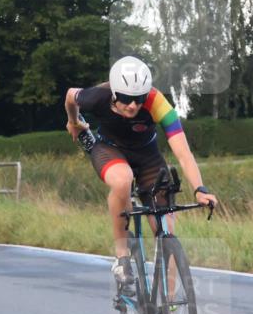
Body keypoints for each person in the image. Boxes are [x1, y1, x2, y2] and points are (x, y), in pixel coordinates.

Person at [65, 56, 218, 297]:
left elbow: (183, 153)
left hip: (147, 157)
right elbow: (70, 95)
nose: (133, 105)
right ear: (115, 93)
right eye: (126, 99)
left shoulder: (157, 102)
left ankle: (171, 306)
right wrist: (74, 122)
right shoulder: (98, 96)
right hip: (109, 149)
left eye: (139, 99)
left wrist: (200, 188)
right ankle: (123, 258)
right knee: (122, 179)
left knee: (166, 231)